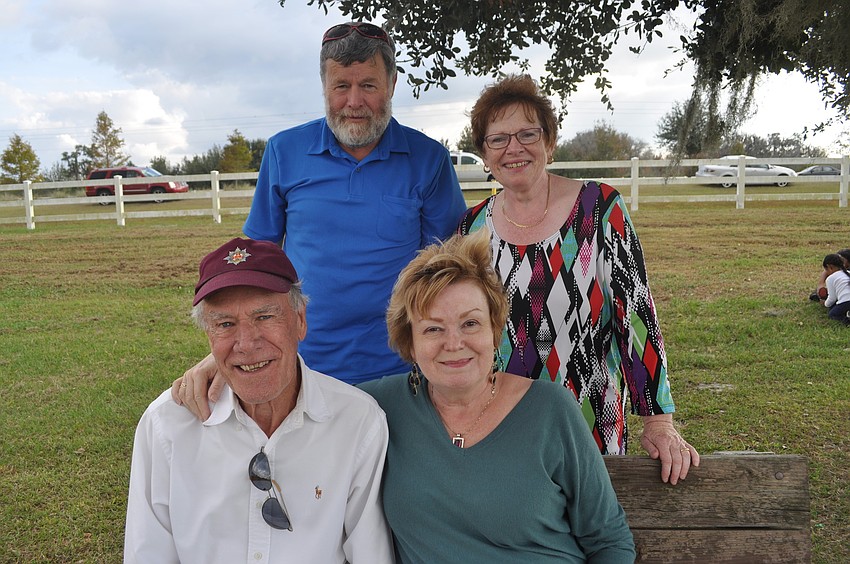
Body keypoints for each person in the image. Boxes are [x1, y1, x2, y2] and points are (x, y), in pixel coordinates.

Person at [181, 21, 466, 392]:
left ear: (392, 84)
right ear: (324, 86)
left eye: (368, 85)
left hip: (401, 363)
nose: (354, 102)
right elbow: (255, 267)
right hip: (302, 363)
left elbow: (448, 266)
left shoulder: (429, 159)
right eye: (341, 86)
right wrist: (223, 353)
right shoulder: (284, 151)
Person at [457, 74, 698, 484]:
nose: (514, 148)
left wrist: (658, 421)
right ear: (484, 153)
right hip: (500, 423)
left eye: (527, 134)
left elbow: (635, 317)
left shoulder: (599, 208)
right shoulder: (472, 227)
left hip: (589, 419)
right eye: (498, 139)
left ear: (549, 143)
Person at [359, 232, 635, 563]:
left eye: (470, 323)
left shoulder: (550, 411)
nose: (454, 343)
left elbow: (609, 540)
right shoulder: (378, 407)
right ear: (410, 343)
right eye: (433, 328)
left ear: (494, 330)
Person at [125, 238, 393, 563]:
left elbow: (370, 554)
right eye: (225, 324)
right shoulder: (167, 424)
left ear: (301, 320)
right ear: (208, 335)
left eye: (264, 317)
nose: (246, 343)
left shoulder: (356, 421)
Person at [821, 253, 850, 325]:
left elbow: (832, 298)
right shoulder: (848, 273)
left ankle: (847, 320)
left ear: (829, 267)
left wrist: (825, 304)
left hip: (846, 302)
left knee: (832, 314)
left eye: (826, 270)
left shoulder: (830, 278)